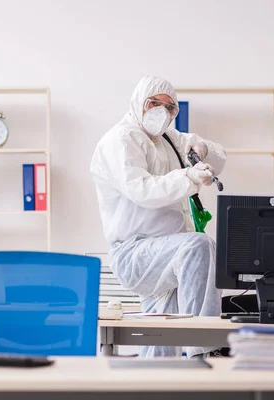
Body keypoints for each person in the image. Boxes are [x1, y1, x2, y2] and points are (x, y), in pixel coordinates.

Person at [90, 75, 227, 358]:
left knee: (161, 340)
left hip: (167, 254)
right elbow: (141, 190)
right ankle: (203, 349)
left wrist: (203, 150)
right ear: (139, 102)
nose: (160, 112)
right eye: (154, 103)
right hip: (135, 252)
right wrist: (187, 176)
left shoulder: (168, 139)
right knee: (199, 245)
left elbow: (220, 157)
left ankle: (155, 384)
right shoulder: (121, 139)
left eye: (169, 107)